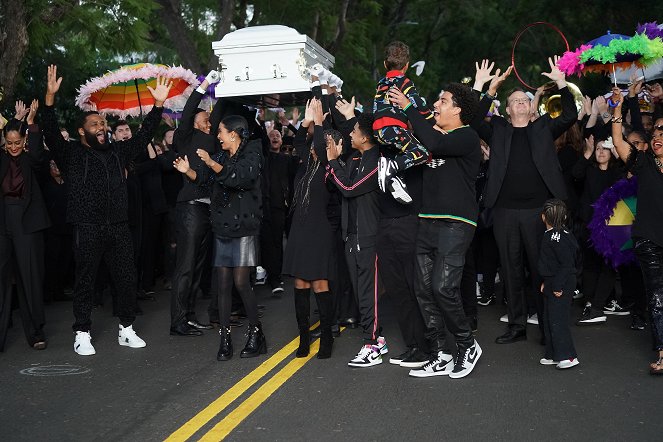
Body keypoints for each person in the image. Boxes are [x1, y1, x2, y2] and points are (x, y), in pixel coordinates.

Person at [41, 65, 172, 355]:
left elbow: (142, 137)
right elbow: (49, 132)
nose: (101, 128)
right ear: (81, 131)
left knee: (126, 277)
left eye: (103, 124)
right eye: (94, 125)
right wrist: (49, 99)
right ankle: (82, 332)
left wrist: (158, 105)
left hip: (118, 226)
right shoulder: (71, 154)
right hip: (86, 227)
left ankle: (126, 328)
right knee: (86, 280)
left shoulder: (118, 152)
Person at [471, 57, 577, 345]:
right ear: (506, 109)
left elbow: (570, 116)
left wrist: (560, 82)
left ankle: (546, 327)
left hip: (538, 212)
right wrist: (489, 90)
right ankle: (517, 325)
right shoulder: (498, 130)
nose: (520, 102)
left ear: (531, 107)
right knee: (510, 270)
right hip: (505, 212)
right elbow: (472, 119)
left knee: (540, 269)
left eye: (524, 100)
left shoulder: (543, 128)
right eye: (514, 100)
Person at [388, 82, 483, 379]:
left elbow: (436, 144)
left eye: (442, 101)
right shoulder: (433, 135)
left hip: (456, 223)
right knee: (424, 289)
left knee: (443, 288)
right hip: (427, 220)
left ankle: (468, 345)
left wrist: (409, 107)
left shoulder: (467, 136)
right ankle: (440, 353)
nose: (436, 105)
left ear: (458, 109)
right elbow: (415, 140)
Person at [175, 115, 264, 361]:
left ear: (234, 134)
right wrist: (189, 171)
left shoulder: (252, 154)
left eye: (221, 132)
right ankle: (225, 339)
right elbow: (206, 181)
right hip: (223, 227)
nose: (218, 136)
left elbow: (238, 178)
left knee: (241, 283)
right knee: (222, 285)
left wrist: (211, 162)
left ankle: (256, 335)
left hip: (244, 227)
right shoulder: (221, 157)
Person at [326, 111, 387, 368]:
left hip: (368, 235)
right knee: (360, 290)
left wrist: (333, 162)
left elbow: (349, 188)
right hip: (352, 234)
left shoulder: (376, 160)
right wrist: (336, 164)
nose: (350, 134)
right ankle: (374, 337)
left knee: (367, 291)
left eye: (354, 131)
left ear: (365, 137)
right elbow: (342, 184)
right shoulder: (357, 158)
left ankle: (372, 342)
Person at [611, 89, 663, 374]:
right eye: (655, 130)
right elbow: (618, 141)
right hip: (649, 239)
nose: (657, 135)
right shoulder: (643, 163)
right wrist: (617, 110)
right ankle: (662, 352)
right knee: (657, 297)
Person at [169, 70, 222, 337]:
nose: (209, 122)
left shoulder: (212, 142)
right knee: (186, 265)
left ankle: (188, 316)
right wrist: (203, 86)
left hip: (206, 206)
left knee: (198, 267)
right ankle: (177, 320)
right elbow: (190, 110)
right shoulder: (186, 136)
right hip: (189, 207)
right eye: (205, 119)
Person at [284, 98, 336, 359]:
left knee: (319, 283)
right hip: (300, 229)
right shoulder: (305, 163)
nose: (315, 145)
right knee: (301, 282)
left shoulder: (329, 167)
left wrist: (319, 121)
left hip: (319, 230)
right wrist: (306, 121)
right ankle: (304, 338)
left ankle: (326, 337)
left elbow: (316, 142)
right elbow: (297, 142)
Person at [0, 100, 50, 351]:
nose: (13, 147)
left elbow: (40, 155)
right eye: (9, 143)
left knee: (29, 278)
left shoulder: (31, 160)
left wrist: (30, 124)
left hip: (27, 222)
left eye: (17, 143)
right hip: (3, 222)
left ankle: (36, 332)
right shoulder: (1, 158)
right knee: (1, 278)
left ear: (24, 141)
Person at [373, 41, 434, 203]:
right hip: (394, 129)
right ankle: (391, 167)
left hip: (378, 130)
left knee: (403, 152)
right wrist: (432, 122)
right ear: (407, 66)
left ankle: (394, 179)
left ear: (385, 64)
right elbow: (418, 104)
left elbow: (375, 106)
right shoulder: (404, 82)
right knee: (423, 153)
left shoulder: (381, 84)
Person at [537, 199, 580, 369]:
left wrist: (556, 286)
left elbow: (566, 264)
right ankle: (554, 353)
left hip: (560, 283)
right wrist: (546, 283)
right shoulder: (563, 234)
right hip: (552, 281)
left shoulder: (555, 237)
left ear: (543, 217)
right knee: (549, 319)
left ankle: (568, 356)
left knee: (558, 320)